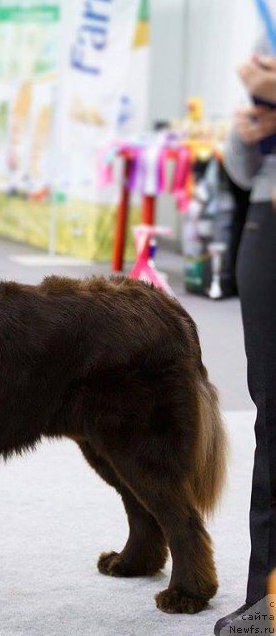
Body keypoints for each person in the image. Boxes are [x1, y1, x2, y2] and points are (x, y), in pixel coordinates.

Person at [215, 53, 276, 634]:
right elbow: (241, 169)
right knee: (274, 419)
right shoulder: (268, 45)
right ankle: (269, 599)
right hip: (267, 225)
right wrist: (249, 131)